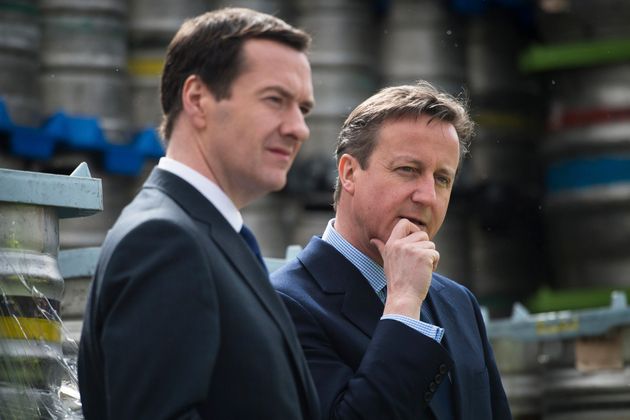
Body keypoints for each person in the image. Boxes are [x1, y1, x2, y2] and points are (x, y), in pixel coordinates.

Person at [78, 8, 319, 420]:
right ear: (197, 99)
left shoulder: (208, 236)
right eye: (275, 100)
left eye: (303, 108)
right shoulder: (163, 242)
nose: (299, 128)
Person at [271, 81, 512, 420]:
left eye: (442, 179)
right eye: (408, 170)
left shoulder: (459, 303)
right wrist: (402, 305)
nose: (427, 195)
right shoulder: (284, 305)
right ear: (350, 173)